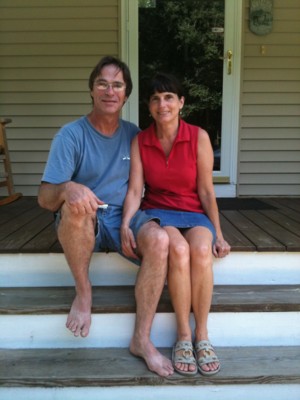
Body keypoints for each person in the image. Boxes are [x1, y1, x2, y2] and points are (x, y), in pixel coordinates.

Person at [38, 57, 174, 378]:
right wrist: (68, 187)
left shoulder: (135, 136)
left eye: (117, 85)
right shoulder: (71, 136)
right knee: (75, 207)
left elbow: (152, 187)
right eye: (103, 83)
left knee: (159, 239)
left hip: (123, 215)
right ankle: (84, 293)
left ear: (126, 95)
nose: (109, 91)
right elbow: (45, 198)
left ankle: (141, 339)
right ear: (91, 90)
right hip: (85, 218)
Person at [121, 72, 230, 377]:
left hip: (194, 212)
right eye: (155, 98)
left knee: (200, 249)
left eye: (169, 97)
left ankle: (202, 335)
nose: (162, 104)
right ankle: (183, 335)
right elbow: (134, 190)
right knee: (178, 250)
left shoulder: (199, 137)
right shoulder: (140, 140)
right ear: (149, 106)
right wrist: (126, 225)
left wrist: (218, 234)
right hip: (159, 211)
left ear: (181, 102)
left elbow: (207, 191)